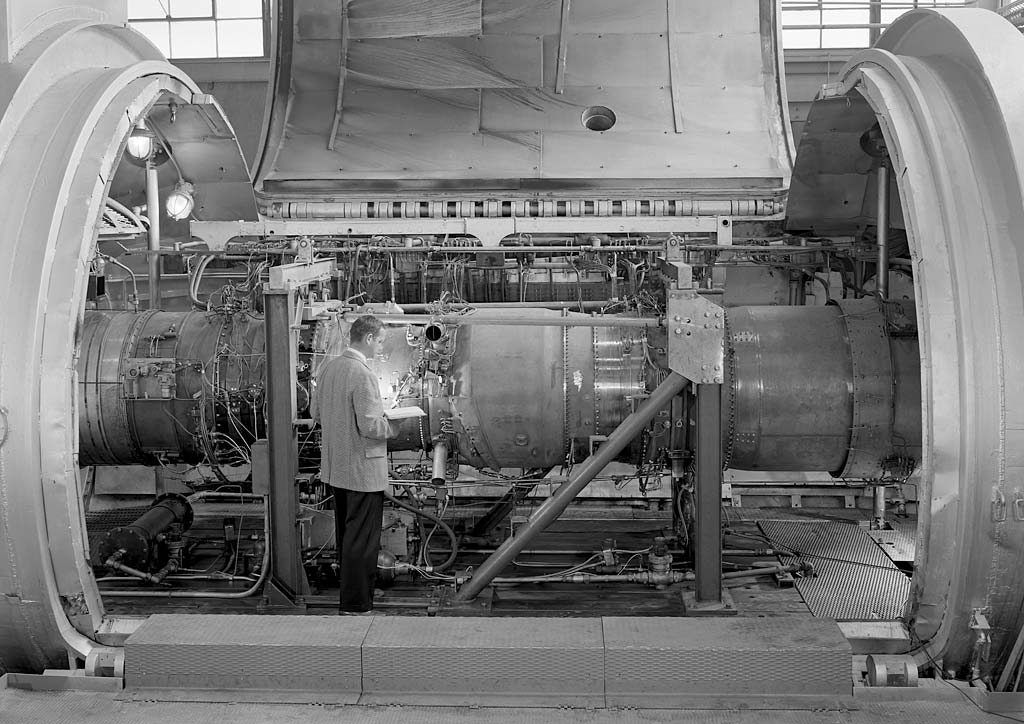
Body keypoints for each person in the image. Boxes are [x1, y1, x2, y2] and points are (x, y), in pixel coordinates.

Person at [312, 315, 396, 614]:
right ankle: (357, 604)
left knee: (348, 539)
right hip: (363, 472)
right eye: (381, 341)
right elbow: (371, 426)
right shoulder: (363, 374)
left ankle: (349, 598)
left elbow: (316, 413)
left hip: (337, 469)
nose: (381, 347)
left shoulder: (328, 368)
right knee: (362, 543)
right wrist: (394, 425)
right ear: (369, 339)